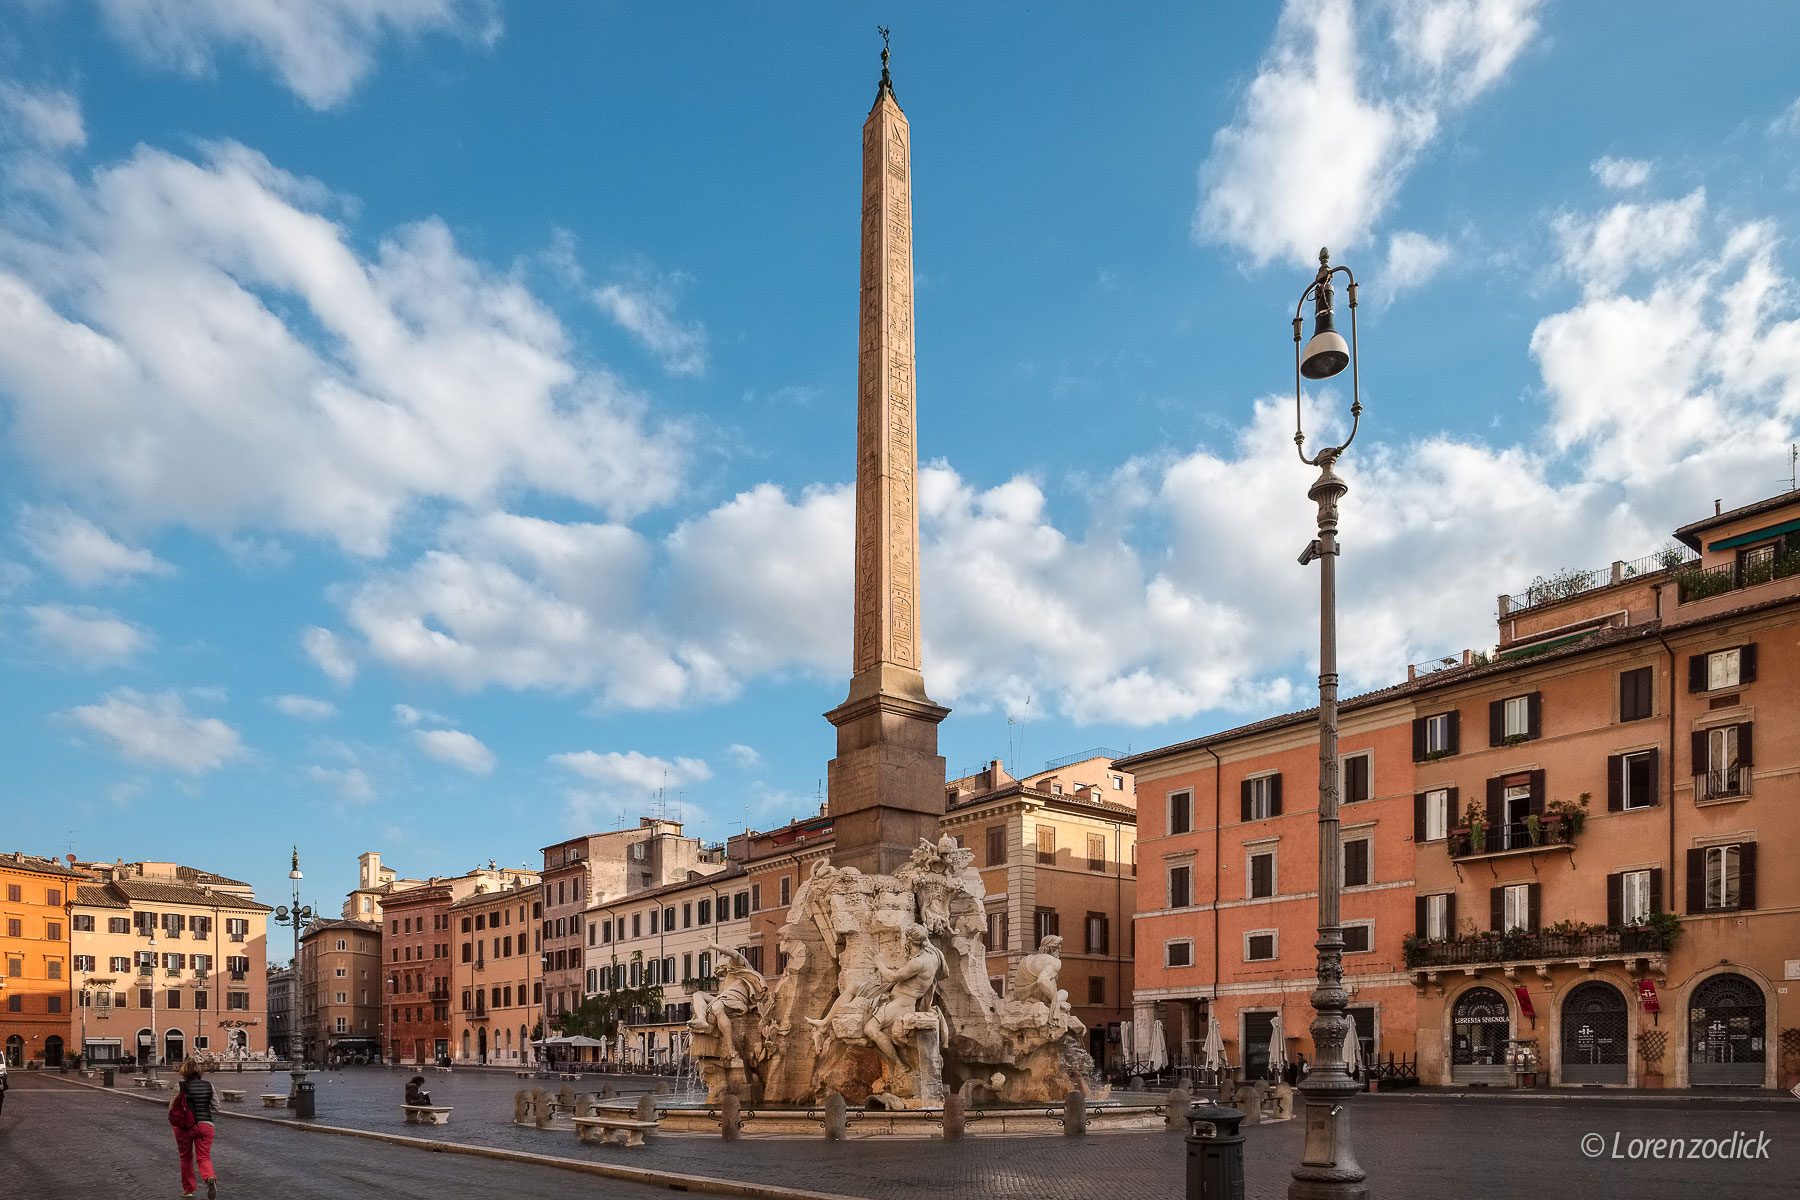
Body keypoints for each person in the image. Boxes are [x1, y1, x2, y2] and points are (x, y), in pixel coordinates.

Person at [169, 1058, 218, 1198]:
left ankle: (189, 1190)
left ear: (184, 1071)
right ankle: (209, 1177)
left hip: (184, 1126)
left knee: (186, 1157)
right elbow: (217, 1107)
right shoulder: (209, 1085)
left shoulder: (179, 1086)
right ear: (199, 1071)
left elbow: (172, 1108)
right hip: (206, 1125)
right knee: (204, 1156)